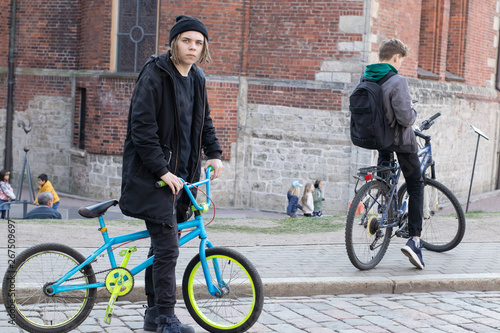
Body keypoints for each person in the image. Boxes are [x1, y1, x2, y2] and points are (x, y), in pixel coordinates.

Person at [119, 15, 223, 333]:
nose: (192, 47)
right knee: (168, 248)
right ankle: (165, 317)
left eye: (198, 42)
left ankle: (153, 314)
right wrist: (163, 171)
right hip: (153, 178)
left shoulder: (198, 78)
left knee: (161, 247)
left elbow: (204, 123)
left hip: (182, 180)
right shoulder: (155, 74)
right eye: (186, 40)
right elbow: (142, 129)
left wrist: (215, 154)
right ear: (173, 42)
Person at [363, 38, 424, 269]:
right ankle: (415, 241)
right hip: (400, 141)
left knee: (385, 179)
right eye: (401, 61)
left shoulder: (367, 76)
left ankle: (383, 211)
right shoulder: (397, 80)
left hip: (379, 141)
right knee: (416, 184)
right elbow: (406, 118)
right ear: (397, 57)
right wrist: (413, 110)